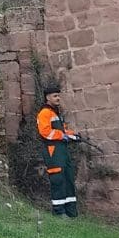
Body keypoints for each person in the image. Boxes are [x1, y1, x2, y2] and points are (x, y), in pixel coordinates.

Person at [36, 85, 82, 217]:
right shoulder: (44, 113)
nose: (58, 98)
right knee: (58, 179)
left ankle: (71, 212)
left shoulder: (56, 113)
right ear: (47, 97)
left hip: (62, 150)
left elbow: (63, 131)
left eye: (58, 96)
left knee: (68, 178)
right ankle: (59, 212)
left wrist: (73, 135)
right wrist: (62, 136)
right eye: (55, 96)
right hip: (53, 151)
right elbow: (45, 132)